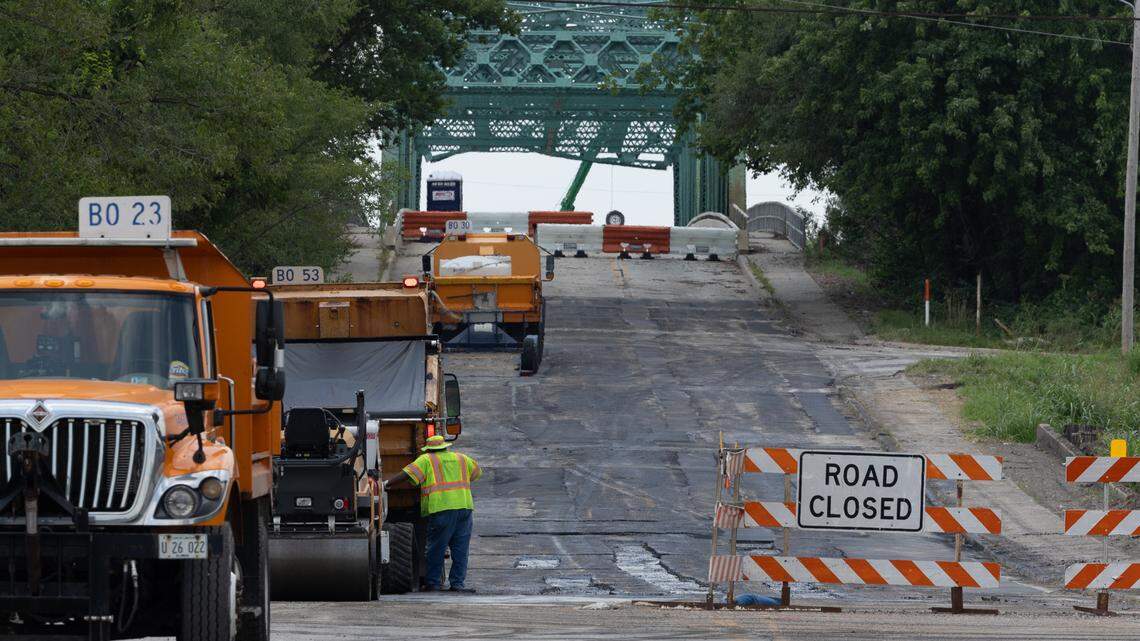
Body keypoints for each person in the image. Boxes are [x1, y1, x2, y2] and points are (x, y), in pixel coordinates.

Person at [384, 434, 482, 592]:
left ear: (429, 449)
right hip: (464, 508)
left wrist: (386, 484)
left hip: (441, 509)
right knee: (461, 549)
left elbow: (407, 475)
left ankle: (433, 583)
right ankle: (457, 584)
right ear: (445, 446)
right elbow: (476, 473)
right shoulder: (462, 458)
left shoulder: (427, 459)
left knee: (436, 548)